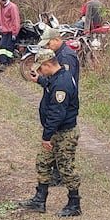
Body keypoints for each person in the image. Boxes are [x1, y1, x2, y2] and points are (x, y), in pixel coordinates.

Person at [19, 49, 82, 217]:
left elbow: (57, 113)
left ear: (48, 65)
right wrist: (41, 80)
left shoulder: (62, 83)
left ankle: (74, 204)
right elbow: (51, 85)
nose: (40, 71)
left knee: (66, 167)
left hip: (64, 133)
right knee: (43, 162)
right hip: (56, 132)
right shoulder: (57, 77)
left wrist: (46, 136)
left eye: (41, 69)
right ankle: (40, 200)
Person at [30, 26, 81, 187]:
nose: (47, 47)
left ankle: (62, 180)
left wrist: (47, 133)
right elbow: (54, 82)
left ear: (57, 40)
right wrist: (41, 80)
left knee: (64, 159)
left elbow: (61, 91)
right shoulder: (57, 59)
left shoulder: (66, 57)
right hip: (59, 116)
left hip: (63, 119)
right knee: (46, 160)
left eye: (48, 44)